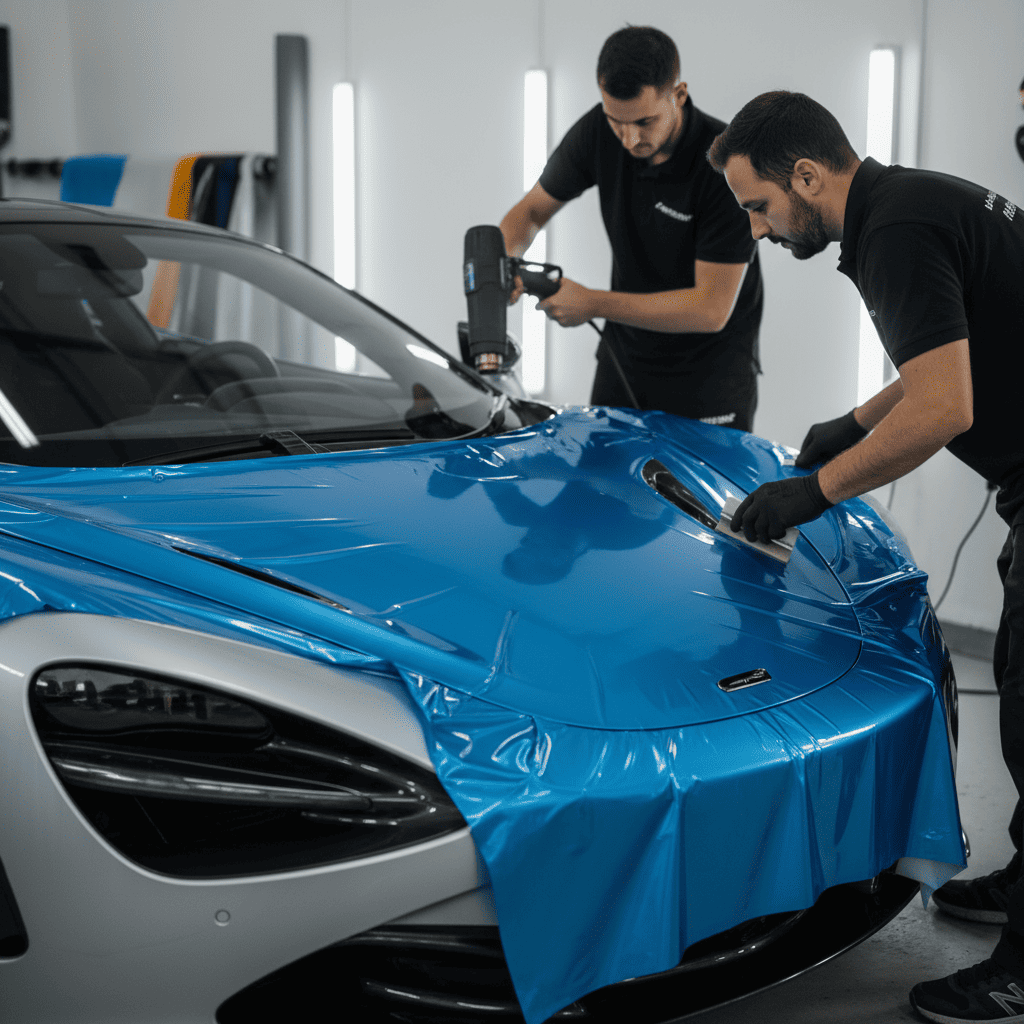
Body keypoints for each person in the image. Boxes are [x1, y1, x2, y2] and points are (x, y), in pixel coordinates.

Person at [706, 89, 1024, 1024]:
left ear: (807, 176)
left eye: (760, 206)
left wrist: (817, 487)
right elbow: (942, 360)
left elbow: (945, 409)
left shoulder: (894, 234)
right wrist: (853, 420)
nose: (759, 232)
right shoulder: (915, 204)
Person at [499, 25, 763, 431]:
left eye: (645, 121)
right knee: (598, 490)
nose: (629, 137)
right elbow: (531, 212)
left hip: (709, 378)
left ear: (679, 94)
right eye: (616, 122)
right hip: (623, 362)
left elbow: (710, 309)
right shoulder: (598, 131)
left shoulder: (724, 163)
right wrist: (505, 262)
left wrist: (593, 303)